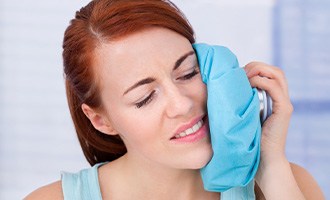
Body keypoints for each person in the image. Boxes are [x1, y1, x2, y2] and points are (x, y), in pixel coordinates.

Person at [25, 0, 325, 199]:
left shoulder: (287, 185)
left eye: (188, 73)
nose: (182, 104)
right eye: (144, 98)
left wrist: (269, 166)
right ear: (101, 120)